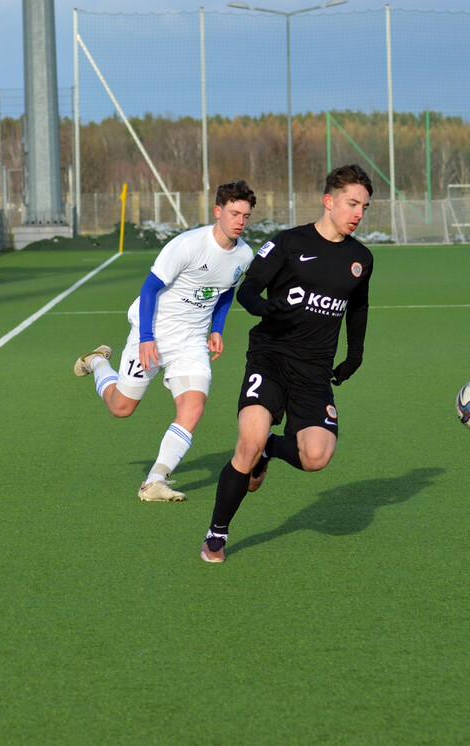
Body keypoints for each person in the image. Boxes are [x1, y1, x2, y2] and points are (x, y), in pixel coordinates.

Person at [199, 164, 375, 564]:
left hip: (314, 371)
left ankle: (269, 453)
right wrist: (267, 307)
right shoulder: (288, 243)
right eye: (351, 204)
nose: (358, 214)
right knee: (248, 441)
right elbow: (248, 292)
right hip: (271, 358)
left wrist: (355, 354)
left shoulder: (360, 258)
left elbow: (358, 306)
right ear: (328, 201)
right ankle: (217, 532)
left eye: (364, 207)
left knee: (316, 456)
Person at [73, 180, 257, 502]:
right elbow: (149, 288)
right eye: (233, 213)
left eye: (245, 215)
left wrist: (217, 329)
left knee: (193, 406)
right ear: (218, 211)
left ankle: (154, 481)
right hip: (154, 333)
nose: (240, 221)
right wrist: (145, 338)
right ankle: (98, 361)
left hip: (191, 341)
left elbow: (226, 290)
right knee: (121, 408)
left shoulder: (244, 255)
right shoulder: (187, 245)